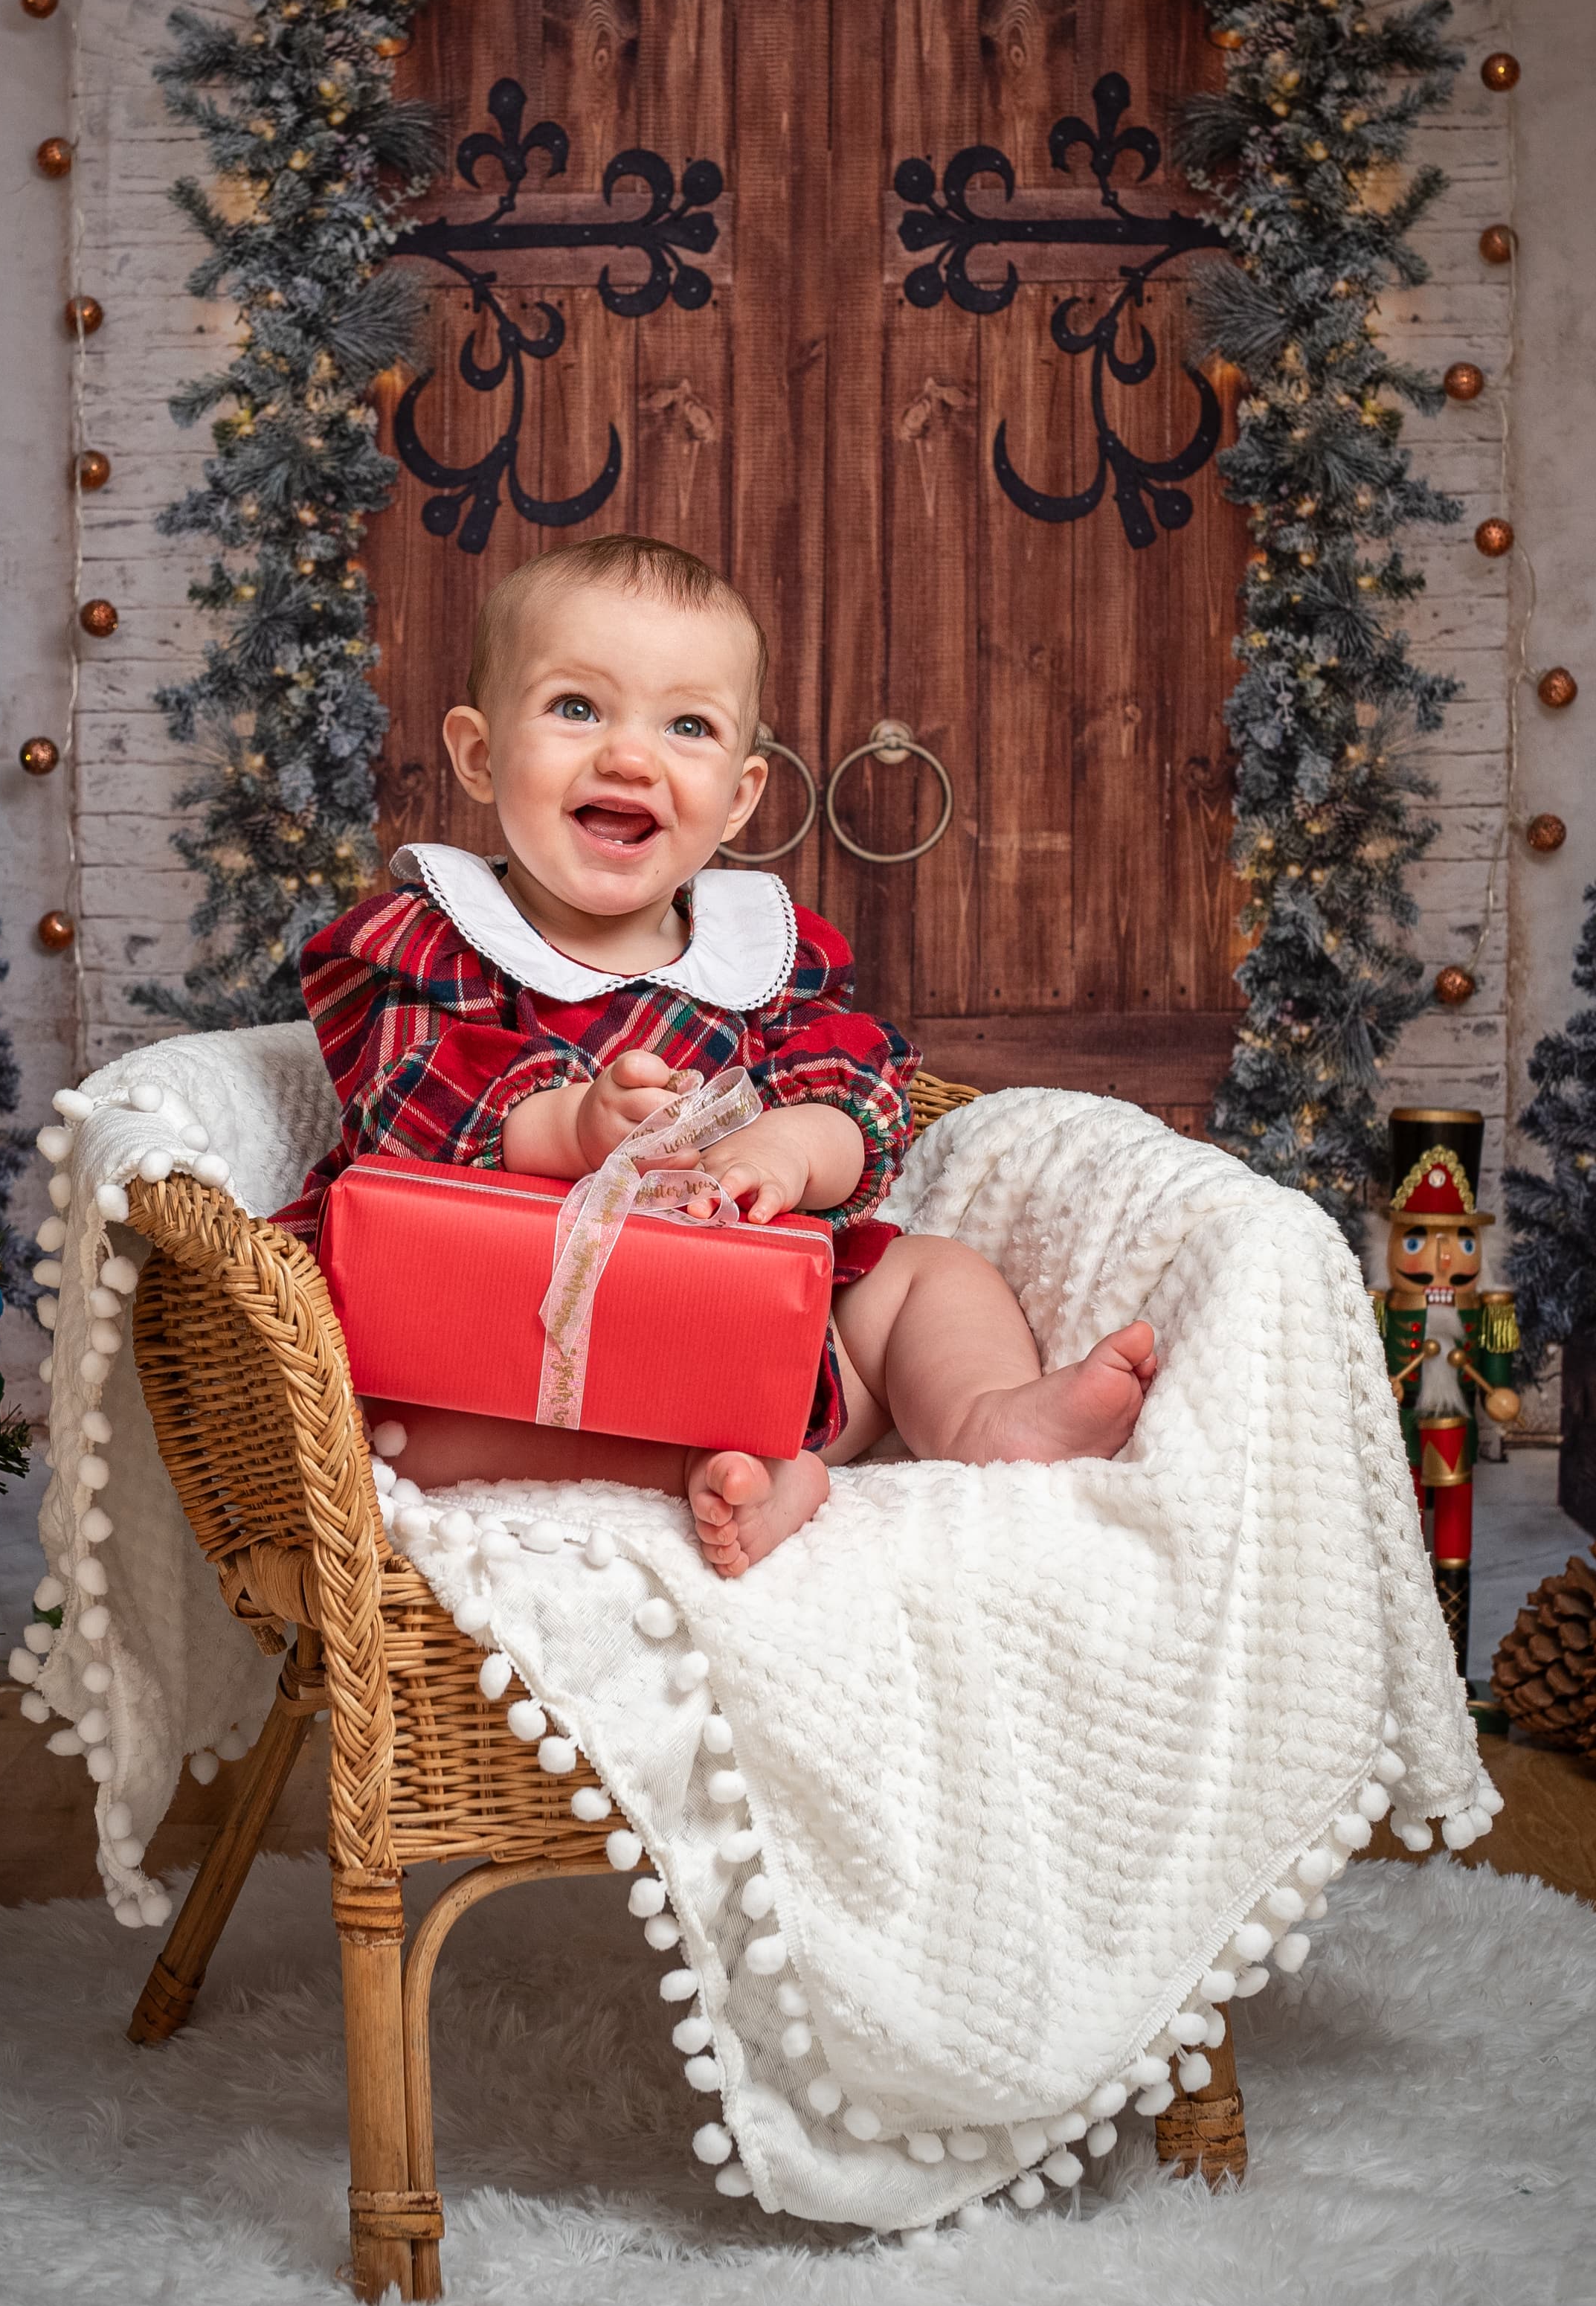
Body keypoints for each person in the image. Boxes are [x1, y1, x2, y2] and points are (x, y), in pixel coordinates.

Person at [277, 534, 1158, 1573]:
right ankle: (727, 1461)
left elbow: (862, 1101)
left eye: (686, 726)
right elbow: (404, 1095)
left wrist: (788, 1153)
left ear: (738, 796)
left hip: (736, 1324)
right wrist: (569, 1128)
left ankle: (982, 1417)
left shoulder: (756, 958)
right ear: (477, 752)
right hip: (508, 1326)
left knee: (931, 1274)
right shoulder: (440, 937)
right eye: (576, 708)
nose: (630, 757)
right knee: (393, 1429)